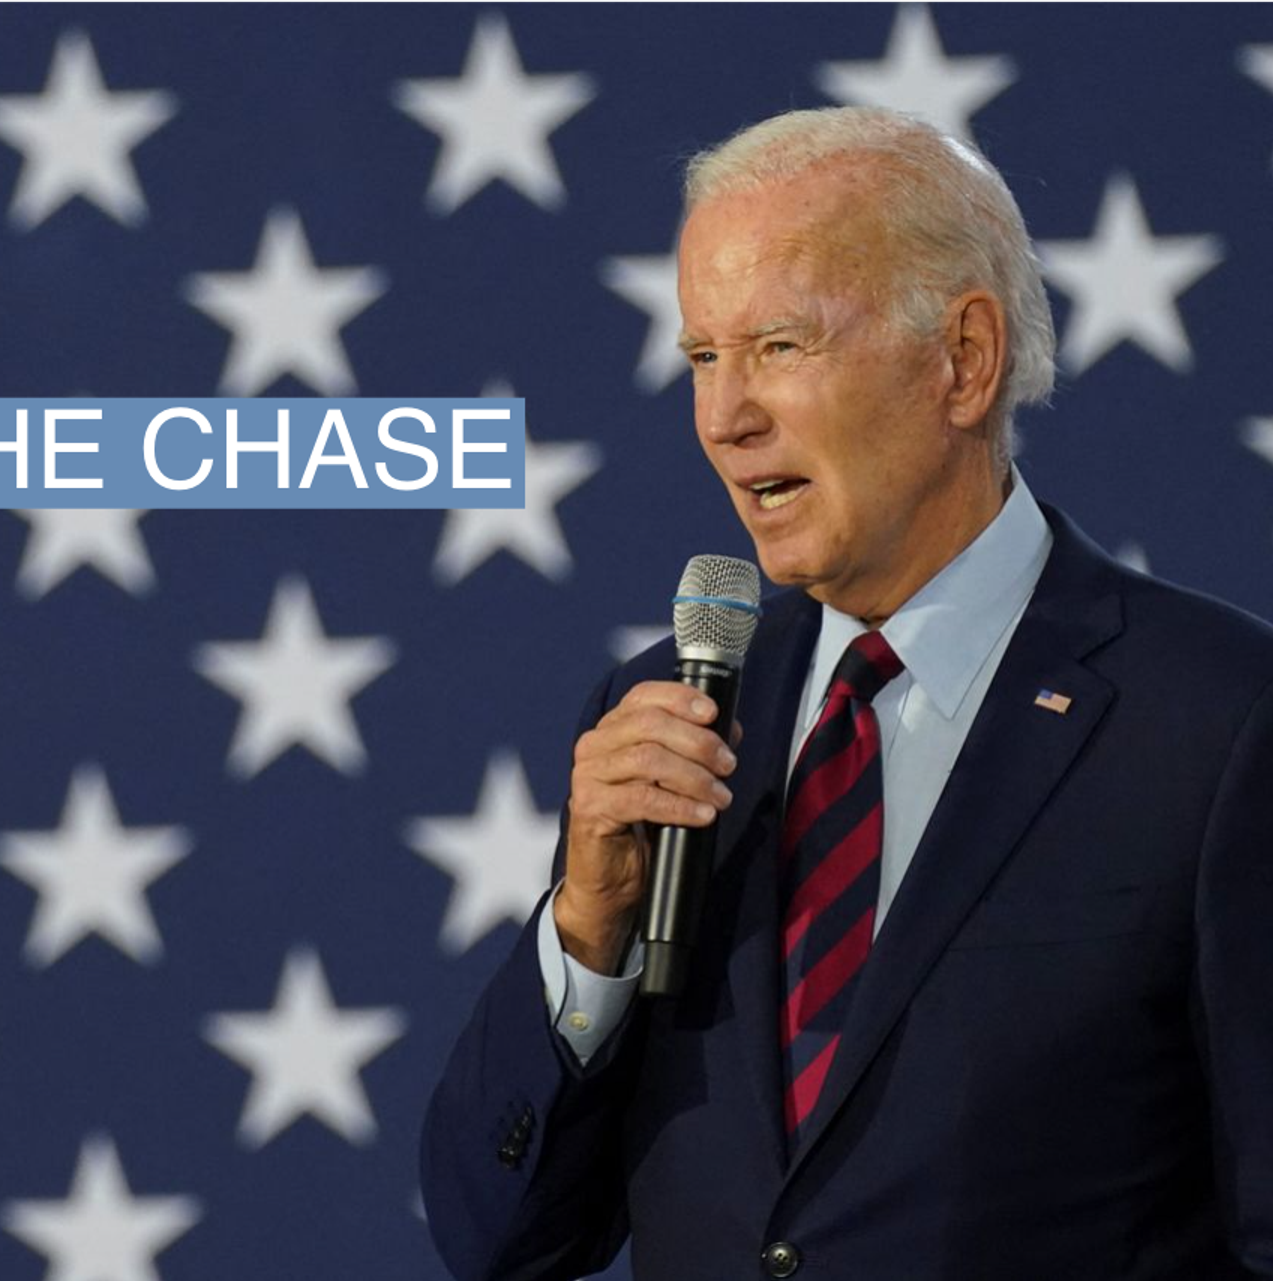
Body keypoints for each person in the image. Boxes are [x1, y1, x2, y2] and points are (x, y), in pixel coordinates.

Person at [420, 106, 1273, 1280]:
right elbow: (498, 1238)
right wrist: (587, 929)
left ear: (961, 360)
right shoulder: (672, 710)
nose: (726, 420)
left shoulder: (1218, 723)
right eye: (704, 359)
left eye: (780, 347)